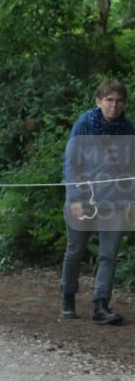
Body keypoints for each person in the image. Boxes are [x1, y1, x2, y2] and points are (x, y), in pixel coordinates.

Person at [60, 79, 134, 325]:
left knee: (109, 255)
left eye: (119, 101)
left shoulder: (128, 131)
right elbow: (71, 163)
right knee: (75, 251)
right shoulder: (84, 125)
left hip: (115, 201)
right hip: (84, 198)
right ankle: (68, 298)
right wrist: (74, 198)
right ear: (99, 101)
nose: (114, 105)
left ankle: (101, 305)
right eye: (109, 100)